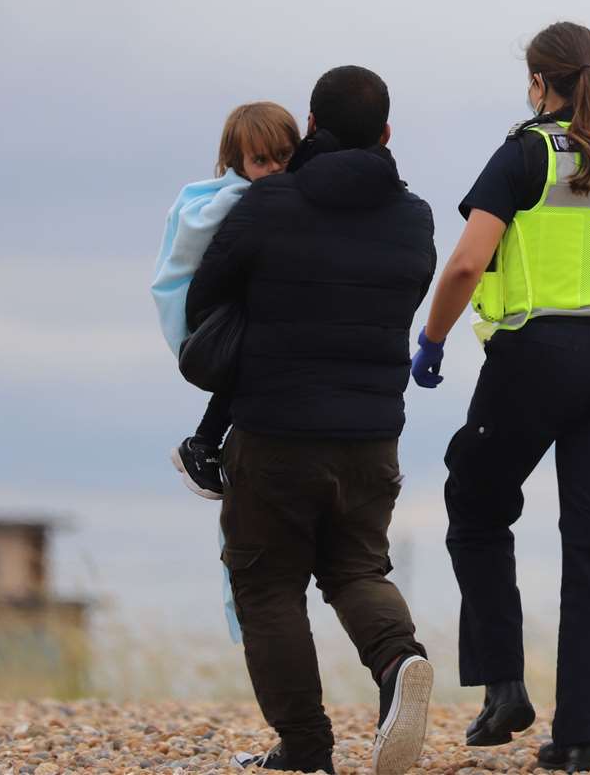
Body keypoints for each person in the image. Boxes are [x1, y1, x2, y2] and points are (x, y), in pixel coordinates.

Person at [411, 21, 590, 774]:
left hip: (534, 357)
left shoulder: (527, 150)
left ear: (540, 82)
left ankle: (504, 687)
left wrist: (432, 340)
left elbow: (468, 263)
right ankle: (583, 739)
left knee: (476, 504)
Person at [187, 66, 437, 775]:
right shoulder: (414, 216)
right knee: (357, 568)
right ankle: (398, 661)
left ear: (310, 126)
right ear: (386, 134)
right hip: (372, 436)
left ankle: (303, 750)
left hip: (275, 434)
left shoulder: (269, 205)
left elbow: (206, 301)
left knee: (267, 587)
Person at [152, 101, 300, 500]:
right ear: (238, 163)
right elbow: (191, 243)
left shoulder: (264, 198)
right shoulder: (233, 202)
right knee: (247, 368)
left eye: (283, 157)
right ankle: (202, 442)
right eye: (261, 160)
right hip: (224, 317)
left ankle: (204, 442)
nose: (273, 169)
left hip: (239, 315)